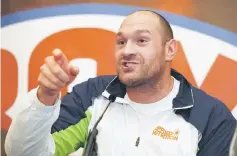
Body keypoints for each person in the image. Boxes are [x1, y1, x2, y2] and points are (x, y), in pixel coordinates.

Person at [5, 10, 237, 156]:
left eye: (141, 40)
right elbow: (23, 153)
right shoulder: (92, 95)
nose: (127, 50)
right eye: (121, 41)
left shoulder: (211, 117)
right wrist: (45, 96)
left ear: (170, 50)